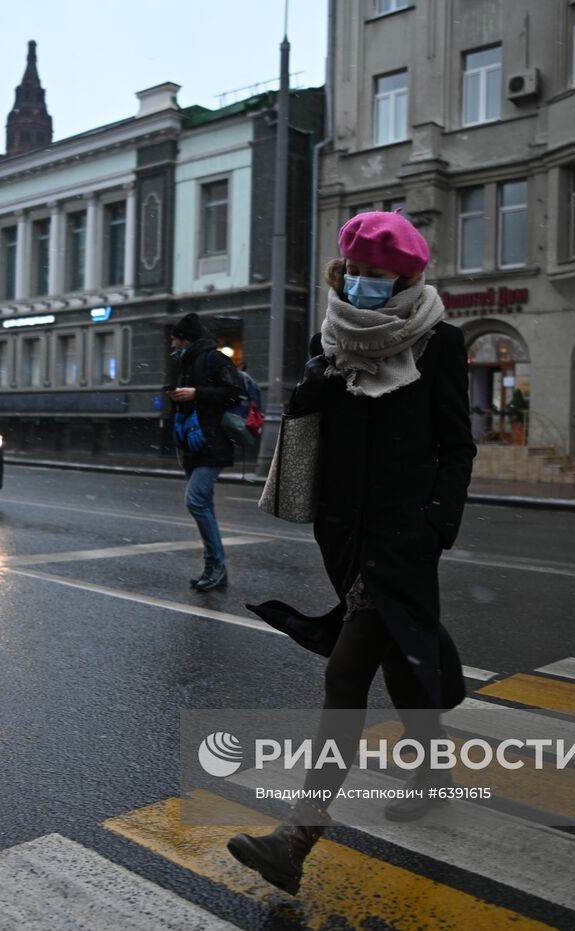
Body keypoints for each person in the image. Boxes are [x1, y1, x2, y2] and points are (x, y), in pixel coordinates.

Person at [227, 212, 476, 894]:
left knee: (345, 674)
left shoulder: (439, 343)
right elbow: (312, 427)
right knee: (401, 660)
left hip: (404, 536)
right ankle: (433, 775)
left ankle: (297, 836)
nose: (365, 283)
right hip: (347, 536)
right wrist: (316, 379)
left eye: (379, 273)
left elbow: (457, 446)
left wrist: (434, 524)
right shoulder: (330, 339)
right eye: (356, 271)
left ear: (407, 275)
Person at [167, 312, 242, 591]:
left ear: (187, 338)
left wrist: (196, 393)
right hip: (194, 441)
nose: (172, 345)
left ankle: (217, 565)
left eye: (175, 339)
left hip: (213, 441)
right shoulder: (187, 361)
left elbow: (234, 392)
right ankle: (212, 566)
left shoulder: (214, 359)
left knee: (196, 500)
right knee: (203, 503)